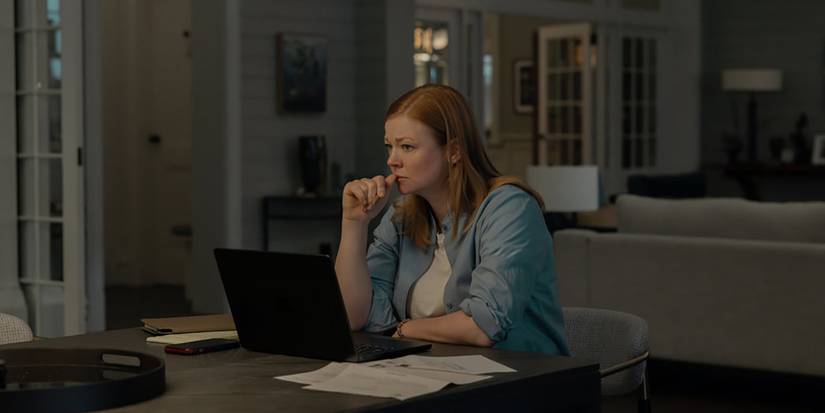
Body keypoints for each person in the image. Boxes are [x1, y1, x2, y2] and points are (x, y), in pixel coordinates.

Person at [335, 84, 569, 355]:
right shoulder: (401, 215)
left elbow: (484, 326)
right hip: (430, 374)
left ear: (454, 150)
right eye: (390, 147)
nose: (392, 160)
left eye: (407, 147)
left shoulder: (510, 209)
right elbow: (353, 317)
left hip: (521, 378)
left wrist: (404, 330)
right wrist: (354, 223)